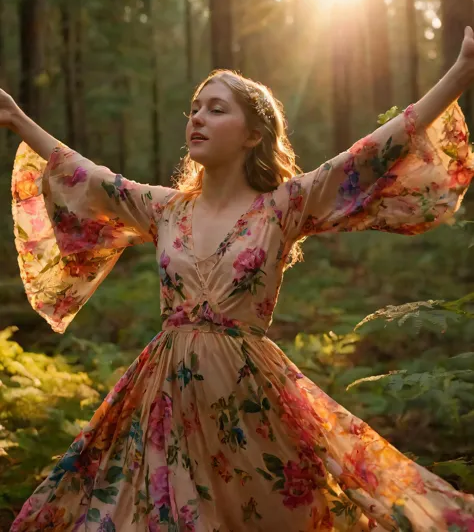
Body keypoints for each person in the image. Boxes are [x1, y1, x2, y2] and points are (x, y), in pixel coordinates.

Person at [3, 27, 474, 532]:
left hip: (251, 404)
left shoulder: (283, 207)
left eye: (217, 108)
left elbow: (368, 157)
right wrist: (14, 116)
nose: (198, 118)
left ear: (253, 135)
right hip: (166, 398)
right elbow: (86, 178)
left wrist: (459, 75)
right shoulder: (164, 210)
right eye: (196, 108)